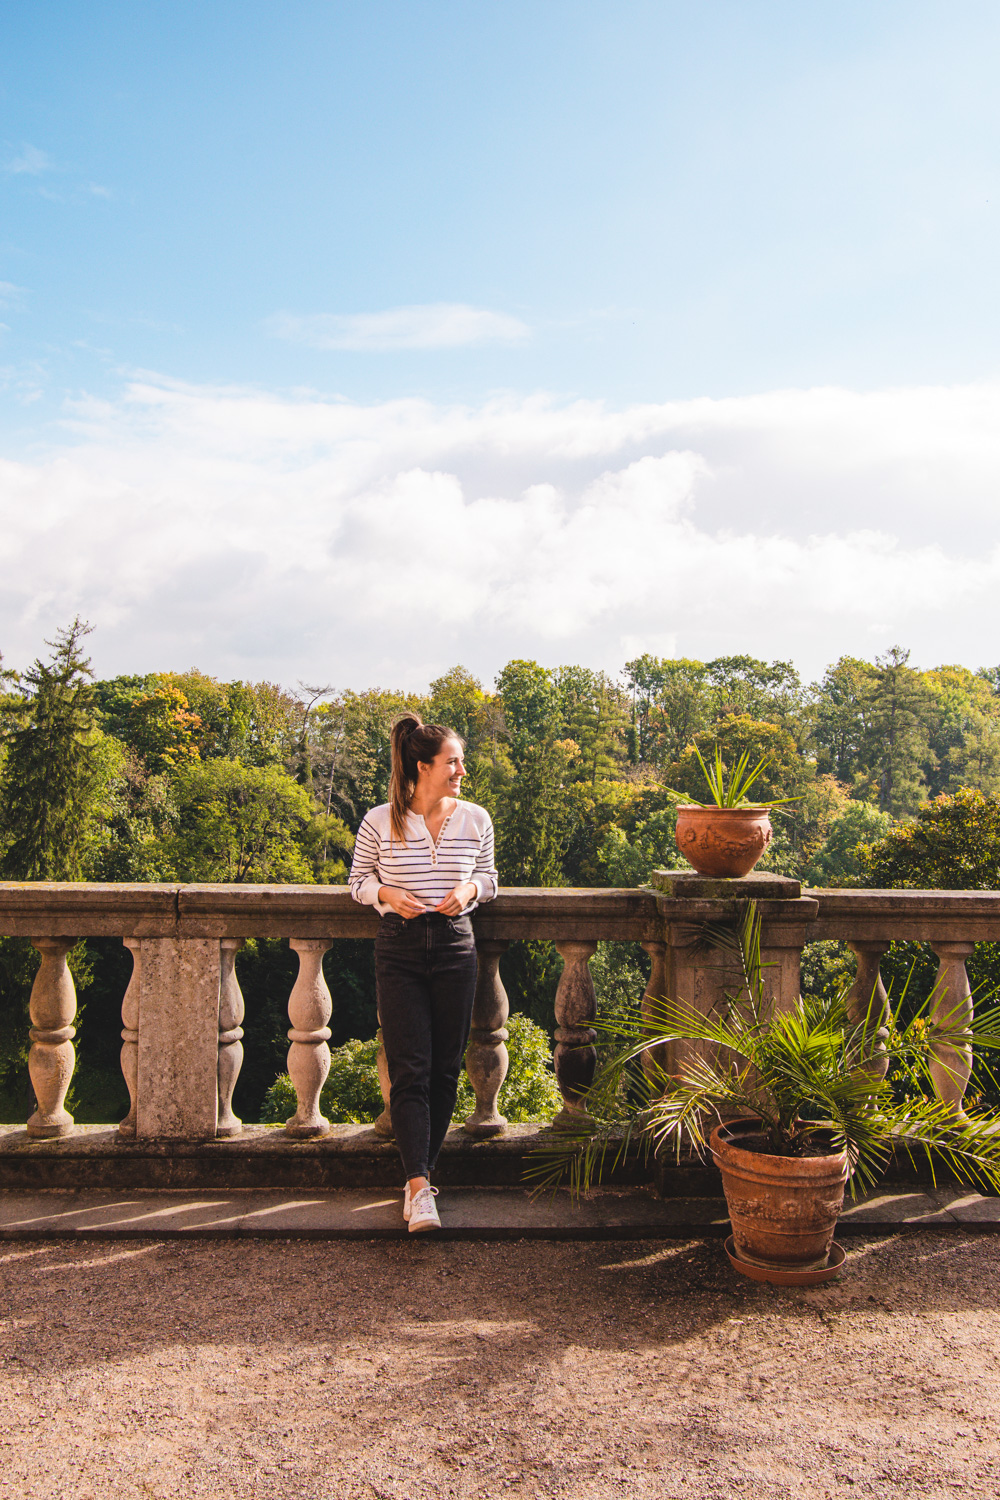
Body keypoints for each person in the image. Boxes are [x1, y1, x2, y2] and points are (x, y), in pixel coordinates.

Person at [348, 714, 498, 1233]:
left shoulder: (476, 819)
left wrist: (470, 892)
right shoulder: (379, 820)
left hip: (457, 947)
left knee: (444, 1070)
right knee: (410, 1070)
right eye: (453, 761)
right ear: (423, 766)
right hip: (400, 949)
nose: (461, 769)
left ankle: (421, 1181)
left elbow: (489, 877)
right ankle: (419, 1187)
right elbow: (358, 882)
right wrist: (387, 894)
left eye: (460, 760)